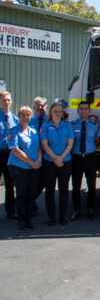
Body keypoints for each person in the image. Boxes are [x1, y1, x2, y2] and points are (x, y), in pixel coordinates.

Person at [7, 106, 42, 230]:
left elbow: (38, 147)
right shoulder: (13, 131)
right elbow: (15, 150)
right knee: (22, 194)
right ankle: (21, 221)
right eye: (23, 115)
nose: (26, 118)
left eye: (28, 115)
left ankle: (29, 219)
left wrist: (38, 160)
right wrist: (31, 162)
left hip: (34, 167)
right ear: (18, 117)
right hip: (20, 167)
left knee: (31, 194)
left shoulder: (32, 131)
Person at [40, 103, 74, 225]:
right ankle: (51, 217)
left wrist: (62, 157)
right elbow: (44, 144)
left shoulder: (67, 125)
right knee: (50, 190)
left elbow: (70, 143)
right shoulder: (46, 126)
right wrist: (55, 158)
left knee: (64, 189)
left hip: (65, 161)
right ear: (51, 112)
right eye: (55, 111)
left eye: (60, 111)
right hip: (50, 161)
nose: (58, 113)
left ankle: (62, 216)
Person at [70, 101, 99, 220]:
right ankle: (77, 210)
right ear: (78, 111)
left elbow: (97, 141)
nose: (83, 111)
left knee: (91, 185)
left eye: (86, 109)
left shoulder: (95, 124)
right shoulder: (72, 125)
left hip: (90, 158)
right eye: (81, 109)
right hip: (76, 158)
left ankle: (91, 209)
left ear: (90, 111)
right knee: (76, 185)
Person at [0, 91, 19, 219]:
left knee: (9, 183)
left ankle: (10, 211)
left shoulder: (15, 119)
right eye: (4, 100)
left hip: (10, 154)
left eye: (8, 100)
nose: (7, 102)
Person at [29, 97, 48, 215]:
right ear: (33, 107)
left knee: (43, 183)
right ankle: (29, 205)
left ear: (46, 107)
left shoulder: (51, 120)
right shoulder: (29, 121)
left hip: (48, 156)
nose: (40, 108)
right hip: (33, 157)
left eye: (42, 105)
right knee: (32, 183)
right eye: (37, 105)